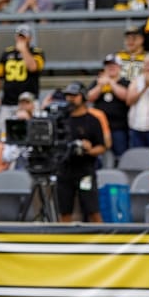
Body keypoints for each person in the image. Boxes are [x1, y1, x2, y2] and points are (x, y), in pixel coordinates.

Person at [56, 81, 106, 223]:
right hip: (64, 170)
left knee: (93, 211)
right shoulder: (61, 120)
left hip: (85, 171)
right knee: (64, 212)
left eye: (74, 95)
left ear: (83, 97)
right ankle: (64, 241)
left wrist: (89, 150)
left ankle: (102, 240)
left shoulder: (92, 121)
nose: (70, 99)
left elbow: (102, 147)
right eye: (68, 96)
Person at [0, 23, 45, 140]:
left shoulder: (37, 52)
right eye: (19, 36)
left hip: (28, 102)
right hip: (8, 101)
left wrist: (23, 50)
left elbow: (33, 67)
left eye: (23, 37)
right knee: (2, 135)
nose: (20, 39)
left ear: (30, 38)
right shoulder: (7, 53)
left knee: (31, 133)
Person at [87, 54, 130, 161]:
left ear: (120, 67)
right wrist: (100, 86)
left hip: (119, 127)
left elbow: (125, 96)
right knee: (100, 156)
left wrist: (111, 82)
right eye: (108, 65)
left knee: (120, 155)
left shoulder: (125, 82)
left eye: (114, 65)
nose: (111, 68)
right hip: (100, 127)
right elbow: (88, 98)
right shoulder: (98, 82)